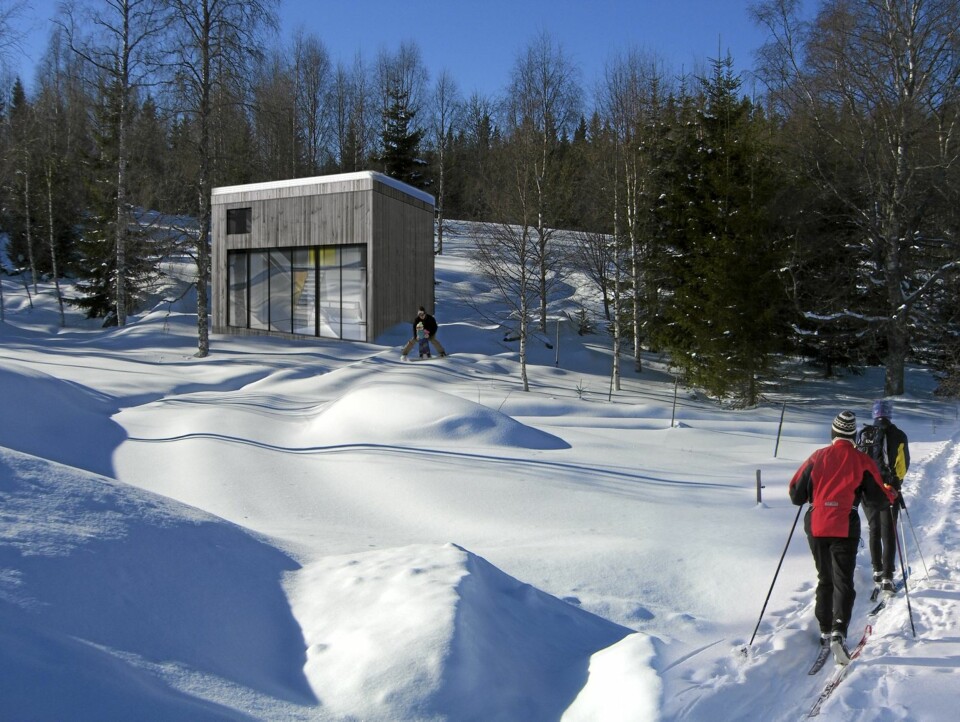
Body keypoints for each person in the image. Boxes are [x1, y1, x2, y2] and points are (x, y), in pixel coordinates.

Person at [789, 410, 898, 665]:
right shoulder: (861, 461)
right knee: (843, 580)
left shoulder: (817, 457)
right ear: (852, 435)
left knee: (824, 578)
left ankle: (825, 629)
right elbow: (878, 500)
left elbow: (795, 494)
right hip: (844, 526)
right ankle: (839, 629)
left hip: (816, 525)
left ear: (834, 433)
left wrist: (813, 494)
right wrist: (892, 493)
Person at [858, 399, 910, 594]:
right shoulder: (898, 434)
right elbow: (902, 464)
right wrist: (897, 483)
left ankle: (877, 570)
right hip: (889, 489)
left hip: (867, 491)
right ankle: (888, 576)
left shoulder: (864, 434)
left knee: (874, 529)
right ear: (889, 414)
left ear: (874, 414)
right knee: (889, 532)